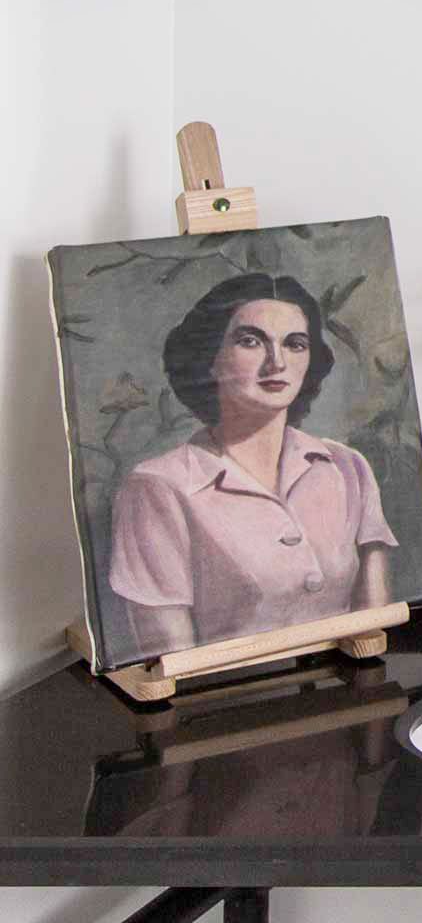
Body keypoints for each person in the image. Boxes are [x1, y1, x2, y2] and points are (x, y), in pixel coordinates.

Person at [106, 273, 396, 659]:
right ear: (209, 358)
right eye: (251, 341)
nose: (277, 361)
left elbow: (371, 632)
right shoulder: (158, 488)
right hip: (227, 704)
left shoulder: (348, 467)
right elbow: (171, 657)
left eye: (295, 344)